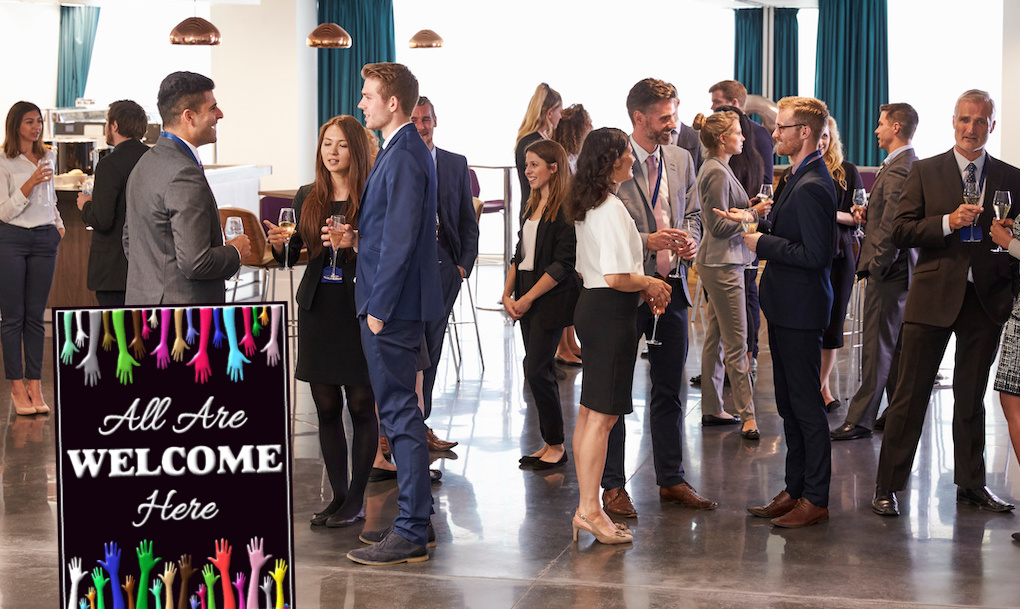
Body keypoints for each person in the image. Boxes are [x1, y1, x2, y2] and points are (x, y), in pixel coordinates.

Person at [873, 90, 1020, 517]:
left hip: (986, 303)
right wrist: (946, 222)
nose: (971, 128)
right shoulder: (925, 171)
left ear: (992, 125)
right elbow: (900, 231)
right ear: (953, 122)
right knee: (909, 396)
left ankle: (971, 486)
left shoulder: (1012, 178)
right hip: (932, 299)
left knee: (971, 399)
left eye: (980, 121)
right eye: (964, 120)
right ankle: (887, 486)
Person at [345, 62, 445, 565]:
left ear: (393, 103)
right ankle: (417, 520)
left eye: (368, 96)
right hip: (396, 303)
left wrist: (379, 308)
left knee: (401, 415)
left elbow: (404, 237)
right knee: (401, 413)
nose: (361, 102)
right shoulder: (400, 149)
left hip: (392, 308)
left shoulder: (404, 152)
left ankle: (408, 531)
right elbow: (388, 230)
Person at [602, 78, 714, 519]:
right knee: (613, 393)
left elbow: (693, 211)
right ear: (639, 118)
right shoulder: (612, 162)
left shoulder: (683, 157)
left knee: (670, 390)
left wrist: (690, 238)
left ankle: (671, 479)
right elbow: (600, 226)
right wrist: (648, 241)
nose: (674, 124)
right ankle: (612, 486)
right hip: (626, 292)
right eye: (665, 117)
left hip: (674, 289)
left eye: (674, 114)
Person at [264, 115, 377, 528]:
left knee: (362, 403)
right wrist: (281, 246)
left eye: (342, 145)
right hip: (318, 307)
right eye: (327, 143)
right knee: (326, 405)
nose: (332, 151)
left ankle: (359, 497)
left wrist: (356, 242)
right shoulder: (306, 195)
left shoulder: (372, 194)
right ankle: (340, 495)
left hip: (358, 306)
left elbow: (386, 253)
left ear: (357, 151)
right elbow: (299, 254)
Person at [732, 96, 836, 528]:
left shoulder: (814, 183)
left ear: (805, 133)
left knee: (806, 406)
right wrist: (756, 221)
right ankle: (795, 489)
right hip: (788, 302)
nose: (774, 134)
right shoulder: (798, 174)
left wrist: (762, 244)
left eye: (782, 128)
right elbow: (788, 228)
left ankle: (816, 497)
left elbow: (816, 253)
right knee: (790, 405)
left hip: (801, 305)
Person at [567, 127, 671, 544]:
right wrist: (649, 283)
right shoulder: (609, 206)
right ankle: (591, 510)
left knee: (591, 413)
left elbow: (588, 269)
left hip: (593, 308)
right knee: (603, 417)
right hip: (609, 313)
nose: (632, 158)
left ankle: (584, 507)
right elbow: (615, 275)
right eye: (627, 152)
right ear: (612, 161)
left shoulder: (590, 203)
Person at [123, 71, 250, 305]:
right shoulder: (184, 173)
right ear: (189, 117)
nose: (219, 115)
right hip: (183, 320)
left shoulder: (146, 162)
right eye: (213, 108)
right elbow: (196, 263)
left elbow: (130, 241)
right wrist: (236, 251)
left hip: (143, 308)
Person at [831, 103, 919, 441]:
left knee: (876, 348)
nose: (876, 130)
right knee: (893, 347)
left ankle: (860, 419)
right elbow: (888, 217)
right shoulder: (904, 164)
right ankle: (896, 413)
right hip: (899, 270)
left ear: (896, 127)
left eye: (881, 124)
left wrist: (877, 267)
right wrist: (868, 214)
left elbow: (893, 228)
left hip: (889, 271)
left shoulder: (899, 168)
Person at [773, 116, 861, 411]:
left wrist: (827, 214)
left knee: (833, 323)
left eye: (827, 137)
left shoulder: (845, 172)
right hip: (804, 259)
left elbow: (858, 215)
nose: (822, 142)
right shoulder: (791, 174)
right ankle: (815, 386)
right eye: (819, 136)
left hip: (840, 254)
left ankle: (822, 385)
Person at [502, 139, 579, 470]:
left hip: (550, 296)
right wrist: (507, 294)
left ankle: (556, 446)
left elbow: (563, 265)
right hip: (527, 292)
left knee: (537, 369)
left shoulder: (566, 209)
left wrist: (527, 297)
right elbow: (519, 255)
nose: (527, 170)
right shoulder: (531, 204)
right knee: (537, 370)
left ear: (554, 167)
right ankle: (551, 442)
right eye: (527, 164)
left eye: (534, 164)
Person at [411, 96, 479, 451]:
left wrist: (462, 267)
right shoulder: (397, 162)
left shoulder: (455, 164)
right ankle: (399, 430)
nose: (422, 126)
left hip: (444, 268)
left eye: (426, 119)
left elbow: (468, 221)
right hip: (406, 271)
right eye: (415, 120)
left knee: (432, 350)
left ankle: (421, 425)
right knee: (409, 350)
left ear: (435, 121)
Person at [693, 110, 763, 440]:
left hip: (718, 261)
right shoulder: (716, 171)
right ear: (723, 139)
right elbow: (719, 226)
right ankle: (748, 417)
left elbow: (725, 216)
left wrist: (746, 209)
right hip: (723, 263)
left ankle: (712, 406)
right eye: (738, 133)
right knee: (737, 341)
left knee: (716, 337)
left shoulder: (718, 168)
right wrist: (753, 214)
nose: (744, 138)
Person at [0, 101, 64, 416]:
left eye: (38, 121)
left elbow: (49, 199)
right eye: (29, 121)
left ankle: (35, 384)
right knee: (13, 316)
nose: (36, 127)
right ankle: (15, 386)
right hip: (10, 239)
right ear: (16, 126)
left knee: (36, 317)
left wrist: (59, 224)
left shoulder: (48, 155)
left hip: (44, 239)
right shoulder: (3, 161)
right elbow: (4, 211)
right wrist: (31, 182)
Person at [76, 100, 149, 307]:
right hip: (147, 265)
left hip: (113, 269)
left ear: (115, 126)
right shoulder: (152, 158)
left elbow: (102, 219)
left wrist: (86, 205)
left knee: (116, 333)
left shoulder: (109, 164)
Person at [551, 103, 591, 366]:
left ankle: (569, 343)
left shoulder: (571, 156)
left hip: (572, 223)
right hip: (566, 227)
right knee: (567, 289)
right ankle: (562, 347)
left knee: (572, 290)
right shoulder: (566, 159)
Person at [515, 83, 562, 221]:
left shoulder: (532, 140)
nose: (560, 116)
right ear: (550, 113)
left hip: (536, 211)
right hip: (537, 214)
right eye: (560, 111)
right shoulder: (536, 143)